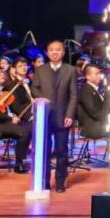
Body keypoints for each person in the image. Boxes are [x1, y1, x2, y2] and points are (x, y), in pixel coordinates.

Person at [31, 40, 79, 193]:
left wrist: (70, 114)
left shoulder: (70, 70)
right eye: (51, 50)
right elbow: (34, 89)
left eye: (58, 50)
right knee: (44, 150)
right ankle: (44, 181)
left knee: (61, 151)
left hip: (62, 116)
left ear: (63, 53)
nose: (54, 52)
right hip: (44, 116)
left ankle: (60, 181)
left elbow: (73, 95)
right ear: (47, 52)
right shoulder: (40, 70)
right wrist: (40, 98)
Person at [78, 64, 109, 139]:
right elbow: (95, 113)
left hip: (98, 124)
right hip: (92, 127)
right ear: (88, 76)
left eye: (99, 73)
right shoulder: (86, 90)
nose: (99, 76)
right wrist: (109, 116)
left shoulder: (96, 89)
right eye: (96, 74)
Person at [4, 57, 34, 122]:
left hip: (37, 112)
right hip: (25, 118)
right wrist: (29, 116)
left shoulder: (31, 82)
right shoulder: (11, 85)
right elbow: (15, 106)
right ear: (15, 69)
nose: (23, 68)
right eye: (20, 66)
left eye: (25, 65)